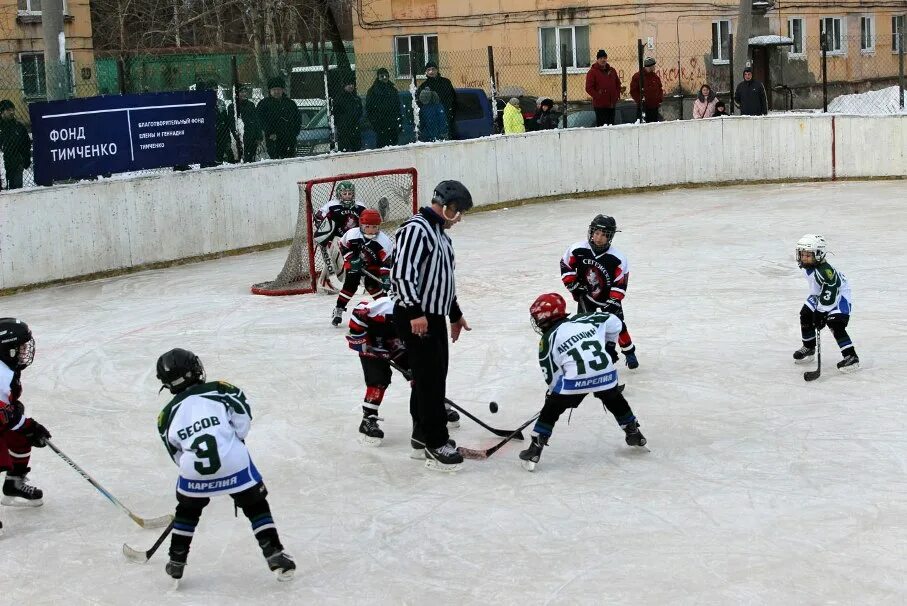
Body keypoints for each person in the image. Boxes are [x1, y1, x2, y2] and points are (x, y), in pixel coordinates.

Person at [155, 348, 295, 582]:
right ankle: (274, 553)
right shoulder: (220, 389)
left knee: (187, 511)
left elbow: (176, 454)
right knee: (256, 506)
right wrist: (232, 441)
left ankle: (176, 560)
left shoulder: (166, 414)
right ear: (195, 370)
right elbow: (242, 421)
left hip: (193, 472)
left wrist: (197, 473)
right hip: (234, 465)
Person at [390, 180, 473, 471]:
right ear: (448, 207)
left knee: (432, 378)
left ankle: (421, 435)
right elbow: (402, 274)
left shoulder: (440, 235)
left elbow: (440, 281)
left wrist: (454, 313)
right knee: (430, 381)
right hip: (417, 317)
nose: (460, 218)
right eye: (459, 211)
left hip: (432, 316)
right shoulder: (417, 229)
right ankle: (435, 444)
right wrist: (415, 313)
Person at [519, 293, 646, 471]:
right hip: (606, 374)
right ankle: (634, 433)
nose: (537, 321)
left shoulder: (548, 339)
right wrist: (609, 347)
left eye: (538, 317)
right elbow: (616, 322)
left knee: (551, 410)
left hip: (574, 382)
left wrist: (553, 394)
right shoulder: (585, 319)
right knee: (614, 399)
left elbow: (552, 374)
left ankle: (535, 448)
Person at [560, 215, 638, 369]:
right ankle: (587, 357)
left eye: (603, 235)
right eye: (596, 233)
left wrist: (614, 299)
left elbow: (621, 281)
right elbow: (566, 265)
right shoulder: (578, 249)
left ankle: (629, 352)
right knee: (583, 327)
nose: (598, 238)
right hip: (586, 295)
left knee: (618, 326)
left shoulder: (617, 258)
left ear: (610, 236)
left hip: (608, 298)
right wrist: (573, 285)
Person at [0, 318, 52, 535]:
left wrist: (26, 427)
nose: (24, 351)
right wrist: (29, 425)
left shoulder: (6, 368)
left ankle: (14, 484)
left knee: (21, 437)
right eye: (20, 347)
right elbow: (4, 415)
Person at [793, 235, 860, 371]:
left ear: (819, 254)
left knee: (835, 323)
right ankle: (809, 347)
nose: (804, 258)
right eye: (802, 254)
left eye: (808, 255)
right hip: (821, 295)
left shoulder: (824, 271)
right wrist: (816, 311)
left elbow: (831, 292)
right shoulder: (809, 266)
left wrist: (821, 312)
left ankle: (851, 357)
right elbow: (820, 291)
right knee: (806, 314)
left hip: (840, 296)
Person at [332, 209, 393, 326]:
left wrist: (386, 278)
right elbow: (342, 244)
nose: (371, 230)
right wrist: (350, 258)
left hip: (373, 265)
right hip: (354, 261)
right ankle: (338, 309)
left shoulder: (384, 242)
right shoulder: (352, 234)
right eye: (368, 226)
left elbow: (386, 262)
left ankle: (387, 310)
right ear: (361, 225)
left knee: (373, 286)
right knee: (351, 284)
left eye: (375, 227)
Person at [314, 181, 367, 292]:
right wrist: (321, 222)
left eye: (350, 193)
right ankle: (331, 282)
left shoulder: (360, 206)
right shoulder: (331, 205)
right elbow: (319, 218)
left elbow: (367, 222)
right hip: (336, 239)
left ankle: (331, 281)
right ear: (339, 194)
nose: (347, 196)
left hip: (354, 241)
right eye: (344, 193)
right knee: (341, 258)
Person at [257, 76, 301, 159]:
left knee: (290, 159)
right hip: (273, 138)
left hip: (289, 138)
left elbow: (298, 119)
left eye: (279, 89)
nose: (276, 91)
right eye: (274, 89)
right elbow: (260, 120)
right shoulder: (264, 104)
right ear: (270, 91)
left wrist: (294, 133)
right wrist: (269, 132)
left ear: (283, 90)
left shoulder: (290, 103)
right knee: (275, 160)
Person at [416, 61, 457, 138]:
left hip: (445, 115)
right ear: (426, 72)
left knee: (445, 138)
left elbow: (453, 98)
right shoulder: (423, 86)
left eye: (433, 69)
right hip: (430, 119)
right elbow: (419, 103)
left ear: (437, 70)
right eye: (428, 70)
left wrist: (449, 110)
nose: (431, 72)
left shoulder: (445, 82)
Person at [366, 68, 401, 149]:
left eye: (386, 76)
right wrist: (375, 123)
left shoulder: (393, 90)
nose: (384, 78)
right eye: (382, 76)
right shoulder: (373, 91)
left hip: (392, 124)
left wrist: (398, 121)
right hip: (380, 124)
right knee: (382, 149)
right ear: (378, 77)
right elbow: (369, 109)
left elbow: (398, 107)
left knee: (394, 149)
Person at [0, 100, 31, 189]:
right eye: (9, 110)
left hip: (16, 163)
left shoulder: (19, 127)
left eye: (13, 109)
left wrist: (26, 159)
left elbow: (26, 144)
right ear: (2, 111)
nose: (12, 112)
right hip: (2, 162)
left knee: (17, 189)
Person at [585, 50, 621, 127]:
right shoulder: (592, 72)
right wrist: (598, 96)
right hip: (600, 106)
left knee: (611, 127)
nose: (603, 60)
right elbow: (588, 88)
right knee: (602, 128)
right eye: (601, 58)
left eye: (604, 58)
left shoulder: (612, 70)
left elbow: (618, 84)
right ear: (597, 59)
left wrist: (616, 95)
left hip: (611, 104)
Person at [229, 85, 263, 163]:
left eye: (245, 92)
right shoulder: (232, 107)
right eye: (241, 92)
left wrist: (259, 136)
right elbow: (232, 124)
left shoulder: (251, 105)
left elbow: (256, 121)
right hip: (240, 138)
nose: (244, 94)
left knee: (251, 158)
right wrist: (237, 137)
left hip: (252, 136)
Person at [629, 58, 664, 123]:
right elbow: (633, 91)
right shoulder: (638, 76)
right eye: (653, 66)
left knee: (654, 125)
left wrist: (659, 99)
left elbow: (660, 88)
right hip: (643, 108)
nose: (654, 67)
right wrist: (640, 101)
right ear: (650, 67)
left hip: (654, 107)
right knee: (644, 126)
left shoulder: (655, 76)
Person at [334, 80, 362, 153]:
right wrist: (342, 124)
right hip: (344, 129)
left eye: (352, 84)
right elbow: (336, 114)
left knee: (356, 150)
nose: (351, 86)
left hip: (355, 128)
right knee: (344, 150)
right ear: (344, 86)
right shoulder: (339, 99)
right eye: (348, 84)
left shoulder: (356, 98)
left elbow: (360, 112)